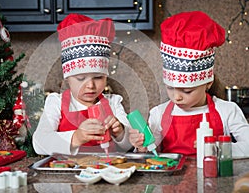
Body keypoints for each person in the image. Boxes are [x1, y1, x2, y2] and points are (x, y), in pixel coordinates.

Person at [129, 11, 249, 158]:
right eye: (170, 88)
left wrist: (215, 148)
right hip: (170, 180)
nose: (176, 97)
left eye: (187, 91)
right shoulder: (158, 114)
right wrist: (141, 147)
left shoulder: (227, 111)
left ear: (208, 83)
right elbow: (151, 152)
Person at [33, 13, 132, 155]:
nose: (90, 85)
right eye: (80, 78)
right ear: (67, 78)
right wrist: (76, 137)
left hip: (109, 170)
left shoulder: (113, 103)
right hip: (70, 173)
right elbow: (39, 142)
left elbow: (128, 145)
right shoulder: (56, 103)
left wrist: (121, 132)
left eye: (98, 77)